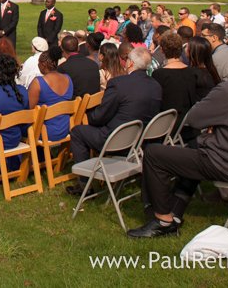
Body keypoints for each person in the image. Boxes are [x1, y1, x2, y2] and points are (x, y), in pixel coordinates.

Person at [127, 39, 228, 238]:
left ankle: (162, 219)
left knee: (154, 153)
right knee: (194, 147)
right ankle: (175, 212)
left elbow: (194, 118)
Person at [66, 46, 162, 195]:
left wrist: (88, 116)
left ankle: (84, 185)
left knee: (78, 131)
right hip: (140, 139)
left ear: (130, 63)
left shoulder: (119, 84)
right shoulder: (155, 85)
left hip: (116, 139)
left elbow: (100, 116)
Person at [152, 35, 216, 145]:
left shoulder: (158, 74)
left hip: (166, 126)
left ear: (162, 50)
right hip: (186, 123)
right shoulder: (193, 72)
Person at [27, 49, 74, 142]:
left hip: (44, 131)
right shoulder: (68, 79)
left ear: (43, 64)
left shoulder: (38, 82)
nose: (38, 65)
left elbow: (29, 111)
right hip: (65, 129)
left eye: (38, 63)